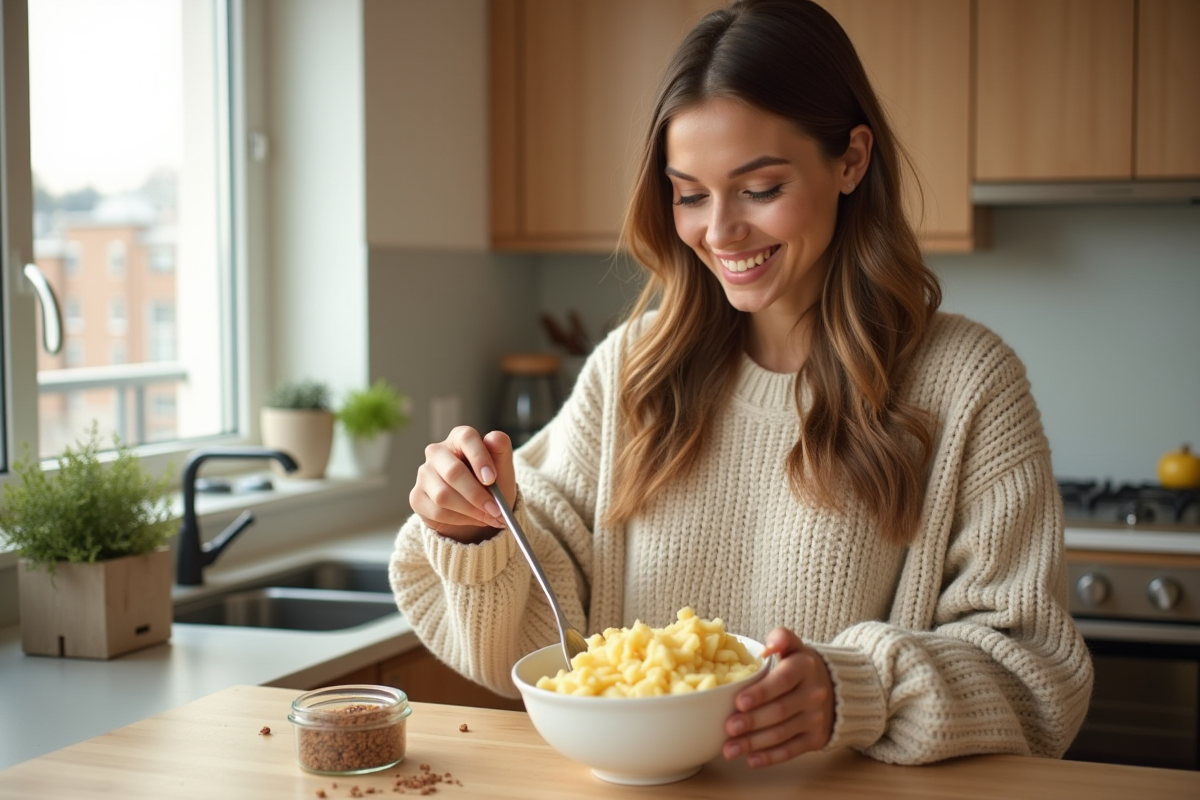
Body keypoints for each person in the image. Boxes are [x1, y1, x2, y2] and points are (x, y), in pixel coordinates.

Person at [391, 0, 1092, 768]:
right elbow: (537, 638)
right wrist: (475, 528)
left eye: (759, 189)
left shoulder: (967, 385)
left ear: (851, 160)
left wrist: (856, 689)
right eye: (690, 194)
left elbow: (1036, 679)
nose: (719, 232)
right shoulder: (633, 370)